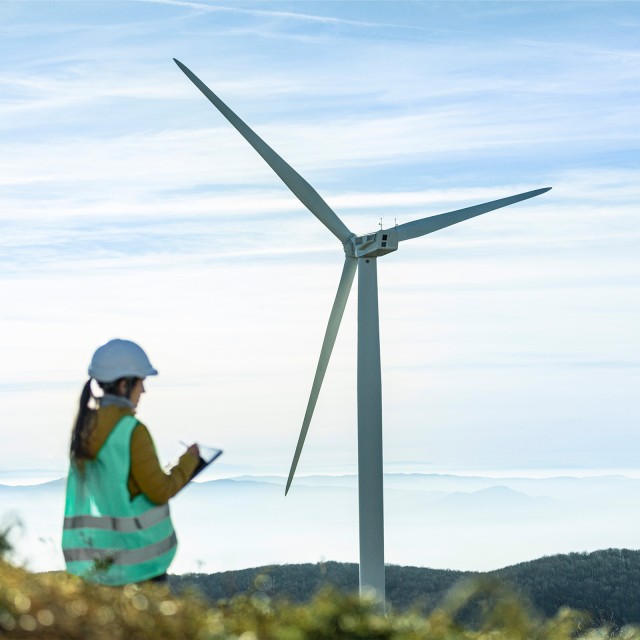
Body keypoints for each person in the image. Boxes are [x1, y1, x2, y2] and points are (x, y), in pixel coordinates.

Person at [62, 338, 201, 585]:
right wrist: (190, 462)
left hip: (97, 563)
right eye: (141, 382)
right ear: (125, 384)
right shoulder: (131, 431)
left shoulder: (85, 429)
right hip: (138, 567)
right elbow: (160, 491)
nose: (144, 391)